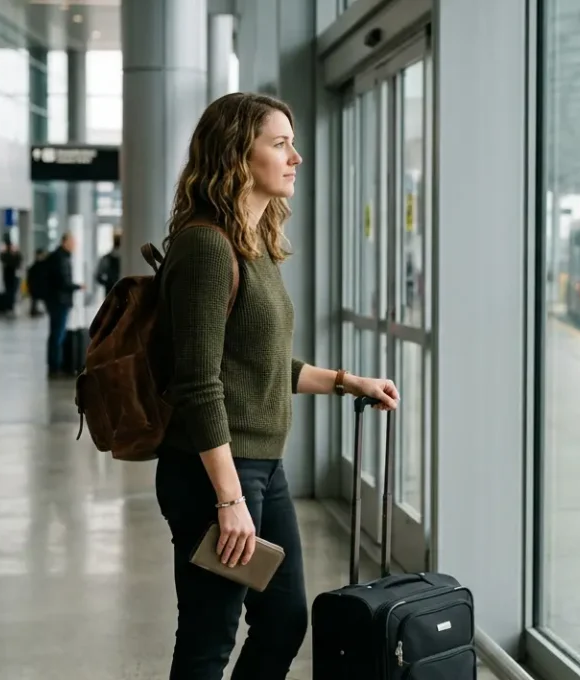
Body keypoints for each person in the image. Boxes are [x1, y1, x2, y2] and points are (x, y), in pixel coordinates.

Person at [154, 91, 400, 679]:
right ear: (240, 155)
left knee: (285, 620)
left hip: (263, 468)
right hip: (213, 472)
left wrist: (346, 382)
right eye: (280, 143)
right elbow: (199, 384)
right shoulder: (206, 246)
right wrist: (229, 498)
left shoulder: (252, 245)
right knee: (209, 637)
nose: (296, 157)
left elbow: (260, 367)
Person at [43, 233, 83, 376]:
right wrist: (78, 286)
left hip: (56, 300)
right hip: (59, 301)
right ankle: (55, 366)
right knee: (57, 334)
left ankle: (54, 364)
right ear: (65, 242)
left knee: (56, 333)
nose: (74, 245)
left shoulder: (59, 256)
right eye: (72, 242)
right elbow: (63, 281)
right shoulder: (61, 258)